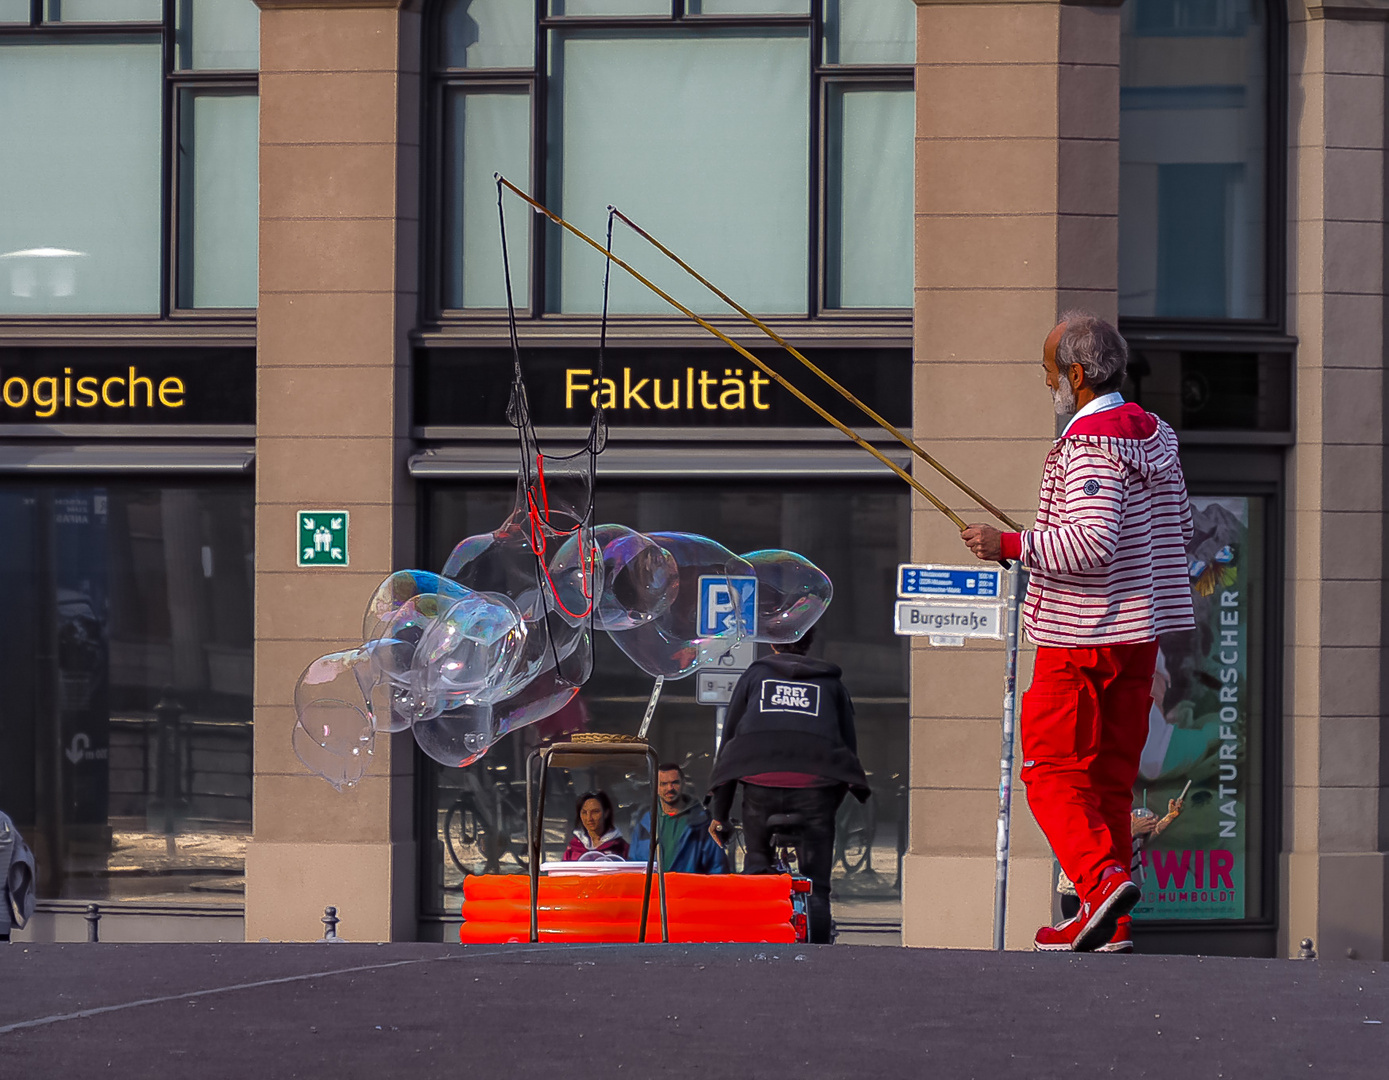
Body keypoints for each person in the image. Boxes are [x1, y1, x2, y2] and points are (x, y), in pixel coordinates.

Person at [961, 311, 1194, 954]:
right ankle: (1108, 918)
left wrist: (1008, 542)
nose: (1048, 383)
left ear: (1078, 373)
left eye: (1049, 371)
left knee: (1053, 772)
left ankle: (1100, 884)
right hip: (1138, 636)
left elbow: (1091, 545)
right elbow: (1172, 531)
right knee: (1109, 782)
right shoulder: (1158, 437)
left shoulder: (1089, 443)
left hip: (1081, 635)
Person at [705, 626, 870, 944]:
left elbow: (730, 744)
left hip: (760, 784)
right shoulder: (831, 683)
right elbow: (848, 746)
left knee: (756, 859)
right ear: (810, 645)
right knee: (817, 878)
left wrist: (719, 813)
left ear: (772, 644)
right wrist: (832, 797)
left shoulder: (754, 677)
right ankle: (818, 909)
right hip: (815, 787)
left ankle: (756, 886)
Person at [627, 763, 727, 874]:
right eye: (663, 784)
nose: (670, 788)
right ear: (655, 787)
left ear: (683, 783)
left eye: (675, 783)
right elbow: (634, 866)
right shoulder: (644, 825)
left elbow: (717, 866)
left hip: (689, 890)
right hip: (654, 890)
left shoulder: (701, 823)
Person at [562, 790, 629, 861]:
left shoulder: (620, 847)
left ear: (606, 813)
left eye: (595, 812)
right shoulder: (574, 847)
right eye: (584, 813)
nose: (589, 818)